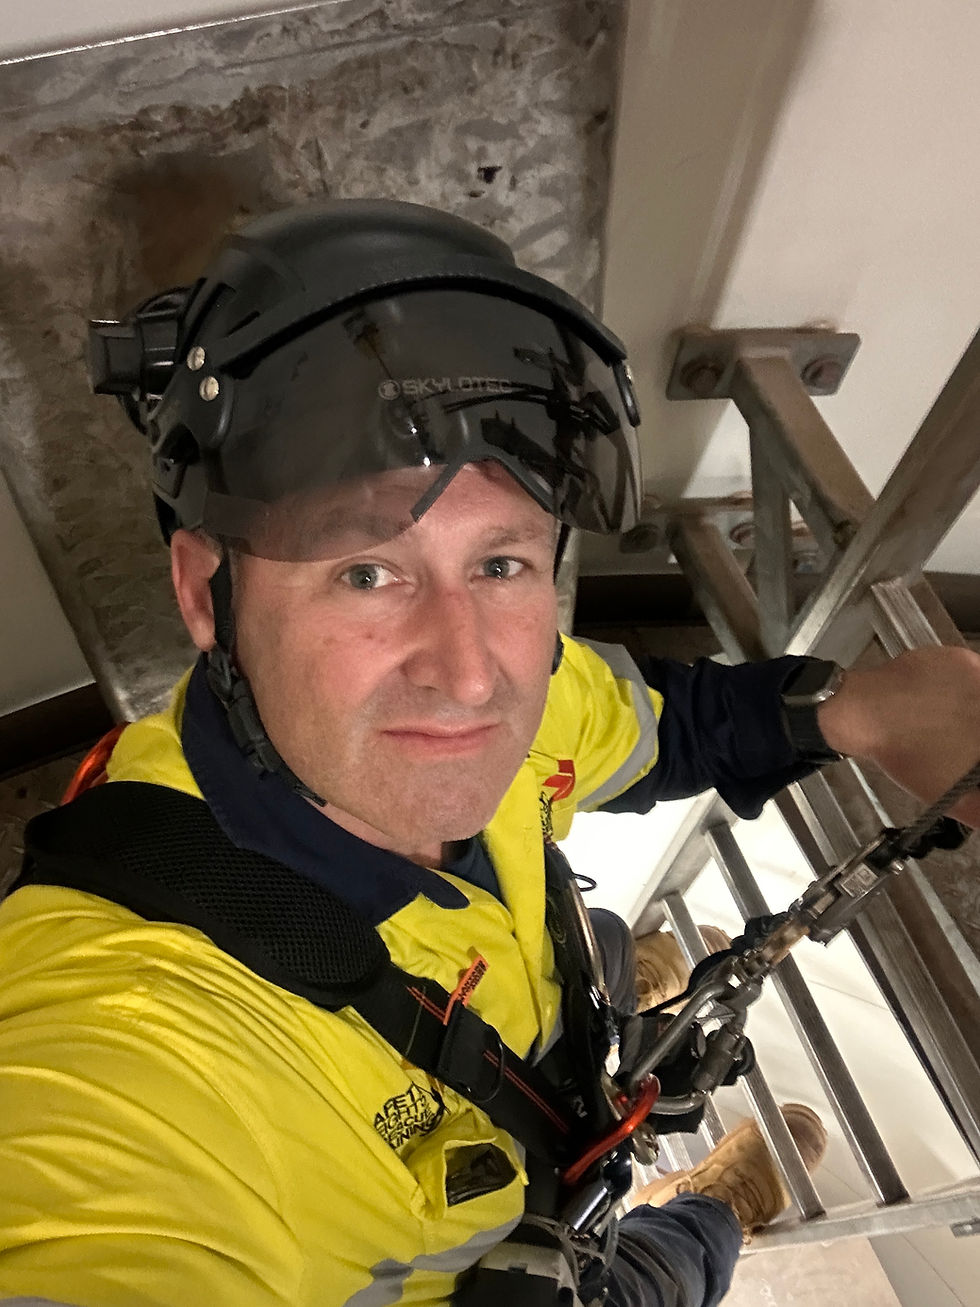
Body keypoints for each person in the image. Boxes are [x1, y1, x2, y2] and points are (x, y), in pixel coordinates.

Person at [0, 199, 978, 1307]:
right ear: (202, 594)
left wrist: (855, 712)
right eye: (365, 572)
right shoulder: (132, 1047)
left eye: (501, 563)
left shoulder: (517, 692)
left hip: (532, 1038)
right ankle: (720, 1202)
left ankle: (631, 976)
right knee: (662, 1272)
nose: (471, 679)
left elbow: (656, 724)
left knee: (596, 952)